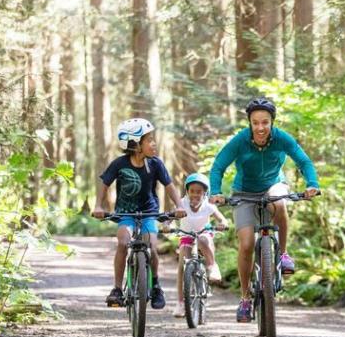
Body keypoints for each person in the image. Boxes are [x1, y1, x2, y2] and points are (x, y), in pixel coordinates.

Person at [209, 97, 319, 323]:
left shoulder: (281, 138)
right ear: (249, 122)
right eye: (255, 122)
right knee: (247, 244)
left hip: (272, 186)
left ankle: (283, 254)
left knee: (279, 202)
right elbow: (219, 165)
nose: (260, 127)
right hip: (244, 193)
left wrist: (312, 184)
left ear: (272, 122)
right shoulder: (240, 140)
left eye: (265, 122)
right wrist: (216, 191)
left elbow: (304, 161)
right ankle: (245, 298)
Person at [93, 118, 186, 310]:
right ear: (135, 145)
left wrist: (178, 206)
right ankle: (117, 289)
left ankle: (156, 285)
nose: (153, 143)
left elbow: (169, 186)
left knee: (151, 244)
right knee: (122, 242)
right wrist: (98, 206)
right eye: (148, 140)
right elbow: (104, 183)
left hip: (148, 212)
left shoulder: (155, 164)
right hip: (125, 213)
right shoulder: (119, 164)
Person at [172, 173, 228, 318]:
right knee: (182, 262)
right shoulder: (182, 204)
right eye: (192, 191)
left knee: (203, 240)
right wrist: (166, 225)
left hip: (204, 235)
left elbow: (222, 219)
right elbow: (170, 216)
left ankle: (212, 266)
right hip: (186, 236)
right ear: (187, 191)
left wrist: (222, 224)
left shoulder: (208, 206)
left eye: (199, 192)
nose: (195, 194)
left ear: (205, 193)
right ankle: (180, 303)